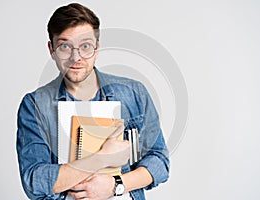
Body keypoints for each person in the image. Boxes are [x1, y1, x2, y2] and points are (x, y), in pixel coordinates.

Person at [16, 3, 169, 200]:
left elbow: (160, 162)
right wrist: (101, 158)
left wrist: (115, 185)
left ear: (97, 49)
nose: (76, 57)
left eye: (85, 46)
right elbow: (34, 180)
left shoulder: (134, 93)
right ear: (51, 49)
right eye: (64, 46)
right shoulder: (35, 105)